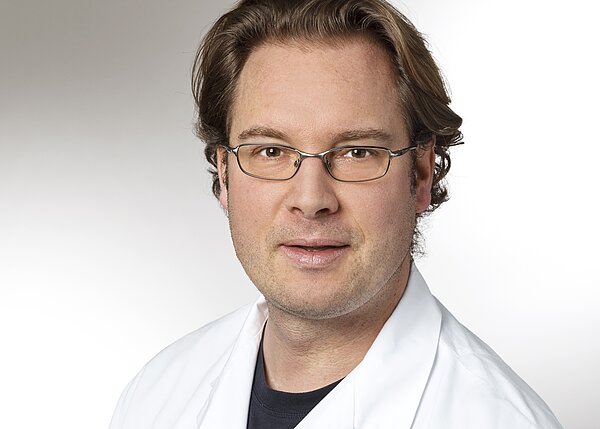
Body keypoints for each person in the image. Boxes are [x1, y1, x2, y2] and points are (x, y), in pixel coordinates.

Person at [110, 0, 564, 427]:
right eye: (270, 151)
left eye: (357, 152)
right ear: (225, 173)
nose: (311, 200)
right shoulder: (158, 394)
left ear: (422, 173)